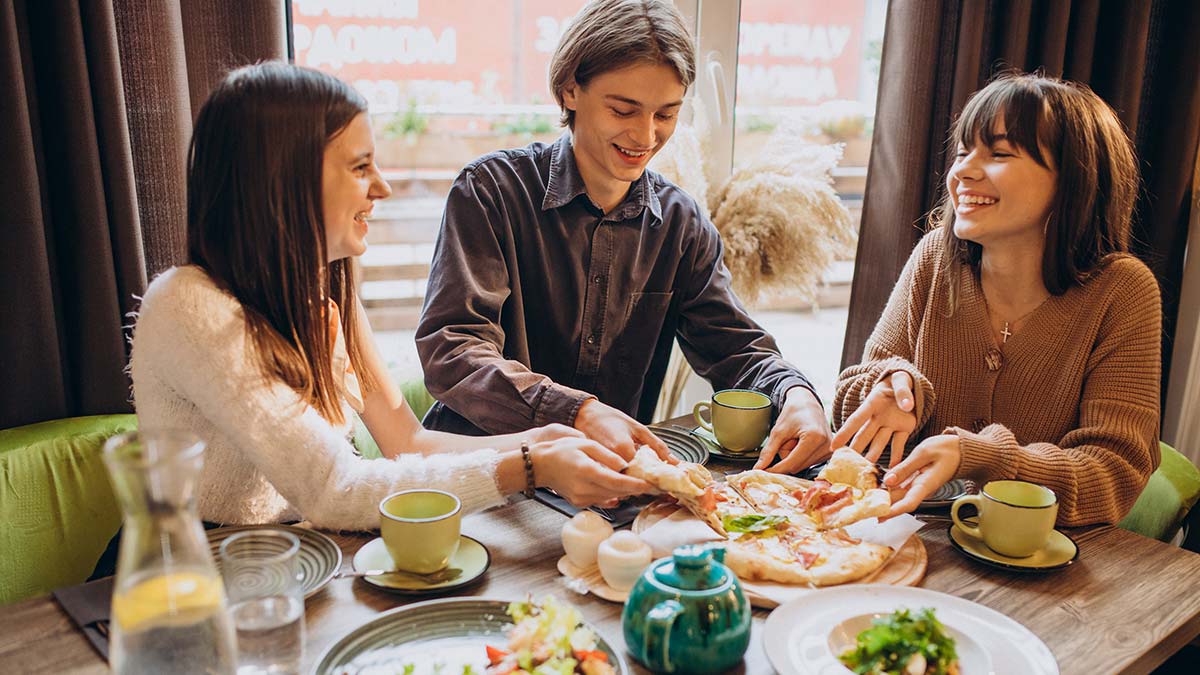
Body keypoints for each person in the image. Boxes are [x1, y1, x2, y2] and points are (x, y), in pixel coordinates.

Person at [129, 62, 651, 532]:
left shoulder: (321, 286)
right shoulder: (190, 307)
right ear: (282, 181)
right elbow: (334, 491)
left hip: (302, 554)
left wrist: (548, 441)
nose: (382, 188)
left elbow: (408, 443)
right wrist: (528, 468)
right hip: (196, 567)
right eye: (360, 168)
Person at [416, 0, 831, 471]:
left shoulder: (682, 224)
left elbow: (736, 348)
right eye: (623, 109)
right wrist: (577, 412)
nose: (646, 136)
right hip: (484, 471)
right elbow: (453, 349)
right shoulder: (492, 191)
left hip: (606, 481)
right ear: (570, 90)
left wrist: (795, 392)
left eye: (666, 115)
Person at [832, 72, 1161, 526]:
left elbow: (1114, 472)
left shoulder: (1123, 291)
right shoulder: (934, 259)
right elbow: (851, 403)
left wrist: (985, 456)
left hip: (1038, 568)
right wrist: (889, 387)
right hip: (911, 535)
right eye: (964, 151)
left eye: (1000, 153)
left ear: (1073, 178)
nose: (963, 171)